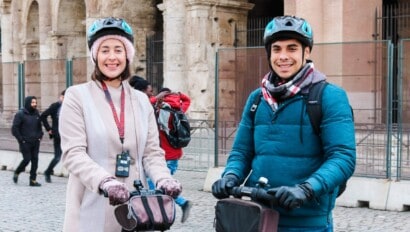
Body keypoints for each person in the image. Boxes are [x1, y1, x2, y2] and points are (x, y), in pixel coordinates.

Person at [211, 15, 356, 231]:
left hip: (306, 219)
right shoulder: (257, 98)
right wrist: (231, 176)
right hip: (258, 215)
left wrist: (306, 189)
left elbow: (343, 157)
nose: (283, 56)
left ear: (306, 52)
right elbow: (242, 152)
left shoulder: (329, 96)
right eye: (276, 49)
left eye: (292, 48)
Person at [58, 17, 182, 232]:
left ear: (128, 55)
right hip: (91, 205)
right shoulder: (77, 96)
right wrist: (105, 182)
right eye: (104, 50)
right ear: (95, 55)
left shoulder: (141, 100)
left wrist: (164, 179)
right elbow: (73, 153)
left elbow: (152, 152)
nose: (112, 57)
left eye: (118, 49)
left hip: (136, 212)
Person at [151, 87, 193, 223]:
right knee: (159, 186)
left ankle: (181, 204)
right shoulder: (178, 110)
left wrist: (158, 97)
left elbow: (145, 102)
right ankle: (159, 213)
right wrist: (179, 94)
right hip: (174, 156)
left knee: (157, 187)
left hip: (164, 157)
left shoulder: (158, 113)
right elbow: (187, 100)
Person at [11, 96, 44, 187]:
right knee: (27, 159)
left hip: (35, 141)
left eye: (35, 102)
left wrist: (40, 135)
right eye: (33, 102)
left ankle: (32, 180)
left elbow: (39, 126)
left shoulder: (36, 113)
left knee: (35, 161)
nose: (35, 104)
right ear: (28, 103)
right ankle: (17, 172)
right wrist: (21, 140)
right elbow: (14, 129)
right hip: (25, 142)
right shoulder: (20, 114)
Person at [40, 90, 65, 183]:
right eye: (63, 97)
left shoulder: (72, 106)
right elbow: (43, 116)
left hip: (69, 136)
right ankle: (48, 171)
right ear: (61, 97)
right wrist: (49, 129)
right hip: (58, 135)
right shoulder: (55, 106)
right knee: (58, 157)